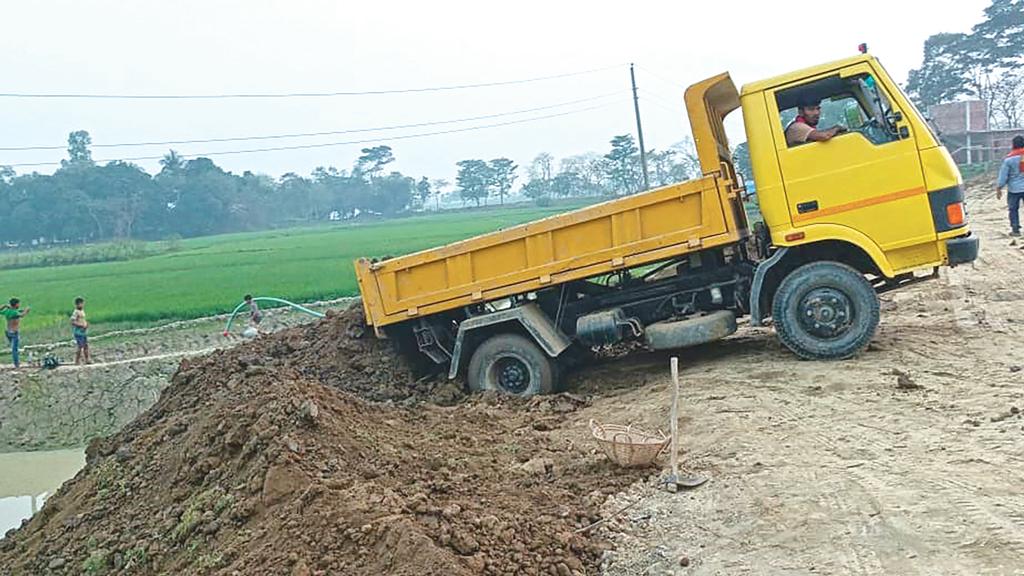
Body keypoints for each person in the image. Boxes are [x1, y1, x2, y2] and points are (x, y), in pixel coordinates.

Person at [996, 135, 1024, 237]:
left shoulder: (1009, 159)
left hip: (1014, 190)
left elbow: (1003, 176)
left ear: (1013, 145)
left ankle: (1015, 229)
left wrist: (999, 188)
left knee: (1013, 209)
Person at [1, 298, 29, 369]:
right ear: (16, 304)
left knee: (13, 347)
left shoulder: (8, 311)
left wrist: (4, 306)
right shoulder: (14, 313)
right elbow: (22, 315)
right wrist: (26, 310)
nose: (19, 305)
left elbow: (16, 311)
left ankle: (17, 362)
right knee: (15, 349)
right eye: (18, 303)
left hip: (8, 332)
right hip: (14, 333)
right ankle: (17, 364)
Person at [70, 297, 91, 365]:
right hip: (78, 332)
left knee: (86, 345)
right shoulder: (76, 312)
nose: (82, 305)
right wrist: (81, 325)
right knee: (80, 346)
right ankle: (77, 361)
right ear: (77, 304)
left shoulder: (82, 311)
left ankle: (87, 359)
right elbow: (73, 322)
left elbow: (83, 320)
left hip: (83, 332)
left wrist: (86, 324)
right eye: (81, 304)